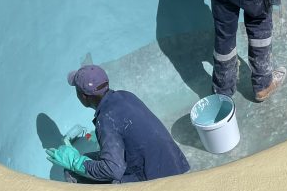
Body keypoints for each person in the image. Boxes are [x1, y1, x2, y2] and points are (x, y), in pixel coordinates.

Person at [45, 64, 190, 183]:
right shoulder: (125, 96)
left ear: (83, 96)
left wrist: (75, 162)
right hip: (174, 165)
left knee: (72, 173)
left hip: (157, 181)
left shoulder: (106, 120)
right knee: (91, 159)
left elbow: (112, 170)